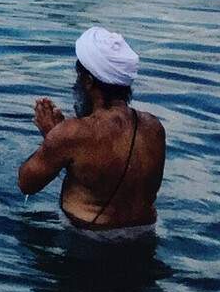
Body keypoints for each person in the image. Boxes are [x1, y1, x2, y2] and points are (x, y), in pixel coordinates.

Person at [18, 26, 166, 239]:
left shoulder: (72, 134)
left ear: (88, 81)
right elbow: (102, 176)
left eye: (79, 78)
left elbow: (27, 184)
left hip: (89, 242)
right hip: (146, 235)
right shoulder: (153, 128)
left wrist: (53, 135)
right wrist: (59, 138)